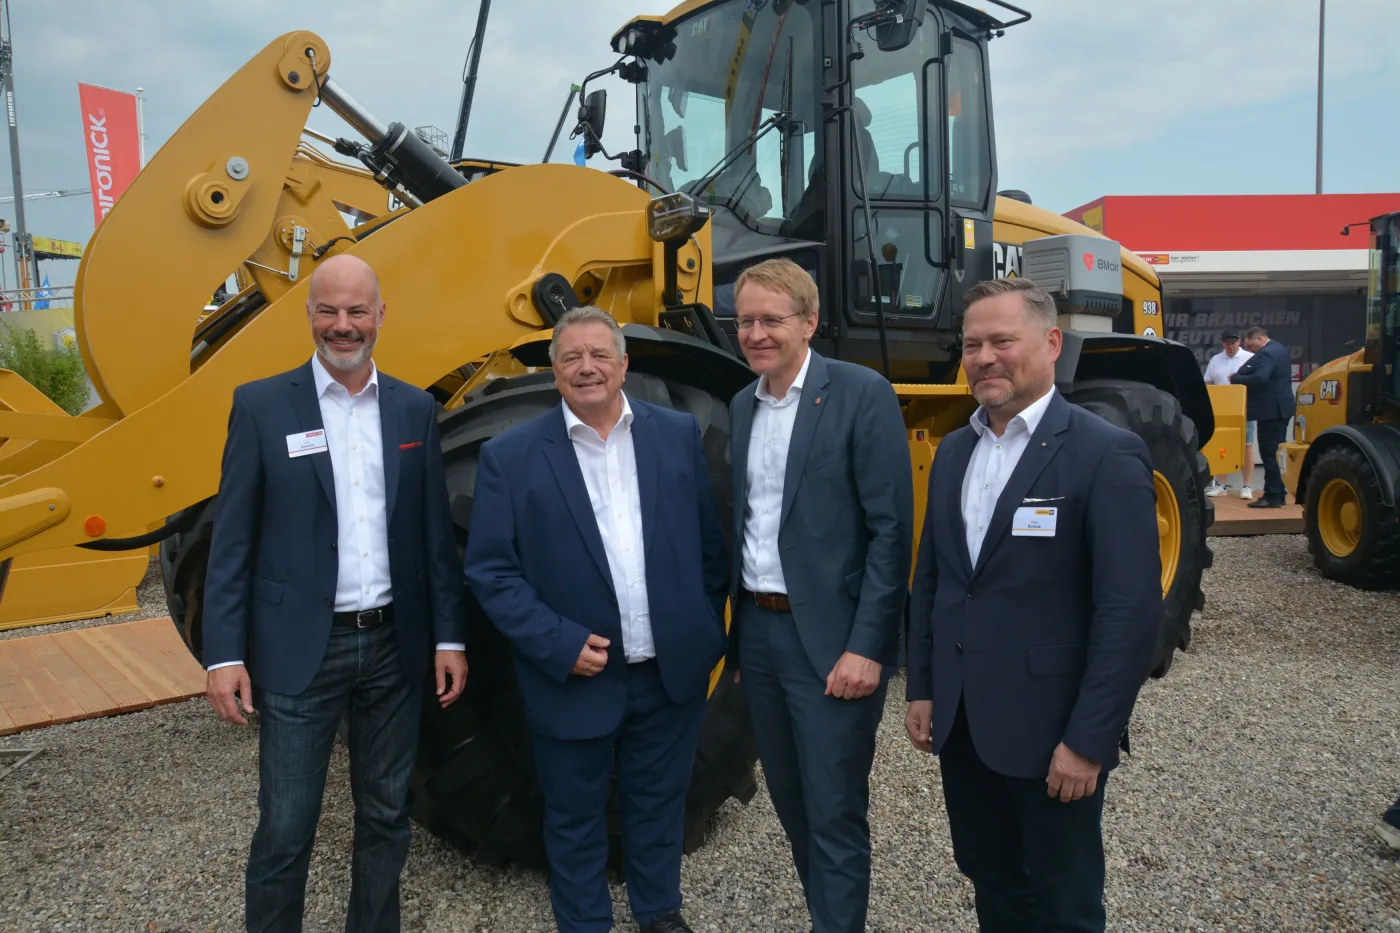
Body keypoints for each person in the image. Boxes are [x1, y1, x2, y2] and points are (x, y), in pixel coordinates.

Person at [201, 253, 469, 933]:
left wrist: (448, 636)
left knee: (385, 818)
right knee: (287, 827)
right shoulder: (262, 406)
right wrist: (223, 654)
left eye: (357, 311)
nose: (343, 325)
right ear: (309, 316)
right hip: (300, 652)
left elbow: (434, 537)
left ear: (380, 316)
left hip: (392, 647)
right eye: (329, 310)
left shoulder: (414, 408)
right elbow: (232, 542)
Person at [904, 276, 1161, 933]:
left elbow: (1128, 613)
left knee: (1064, 901)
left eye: (1001, 340)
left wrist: (1090, 739)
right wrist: (925, 687)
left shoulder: (1104, 454)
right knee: (993, 883)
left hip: (1053, 734)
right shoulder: (956, 449)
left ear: (1050, 343)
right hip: (965, 728)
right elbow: (935, 578)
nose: (985, 357)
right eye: (971, 344)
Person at [463, 306, 728, 933]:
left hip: (668, 674)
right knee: (574, 816)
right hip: (574, 674)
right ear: (553, 372)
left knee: (660, 804)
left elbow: (709, 549)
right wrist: (557, 643)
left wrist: (698, 629)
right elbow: (492, 573)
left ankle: (659, 911)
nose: (587, 368)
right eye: (571, 358)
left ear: (623, 364)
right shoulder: (511, 457)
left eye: (599, 355)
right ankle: (584, 923)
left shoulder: (674, 435)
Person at [725, 257, 913, 933]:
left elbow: (891, 531)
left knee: (833, 807)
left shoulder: (861, 393)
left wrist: (870, 646)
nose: (755, 333)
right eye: (745, 320)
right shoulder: (743, 404)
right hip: (763, 634)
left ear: (808, 321)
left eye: (771, 319)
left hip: (832, 641)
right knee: (793, 802)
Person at [1230, 325, 1294, 509]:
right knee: (1275, 452)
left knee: (1269, 453)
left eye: (1251, 346)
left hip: (1271, 411)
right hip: (1280, 409)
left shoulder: (1267, 353)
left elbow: (1261, 377)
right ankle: (1279, 493)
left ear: (1259, 339)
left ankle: (1273, 495)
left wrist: (1237, 378)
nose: (1251, 351)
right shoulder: (1278, 348)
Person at [1203, 331, 1255, 499]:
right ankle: (1221, 484)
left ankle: (1247, 486)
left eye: (1232, 343)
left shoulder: (1250, 357)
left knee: (1246, 445)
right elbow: (1208, 382)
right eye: (1226, 343)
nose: (1230, 346)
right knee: (1220, 444)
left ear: (1239, 341)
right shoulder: (1216, 360)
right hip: (1221, 408)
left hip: (1243, 408)